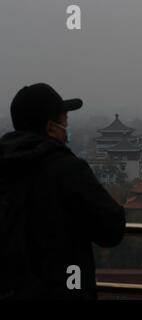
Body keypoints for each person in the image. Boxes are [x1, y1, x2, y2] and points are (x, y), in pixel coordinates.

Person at [0, 83, 126, 299]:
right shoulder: (67, 169)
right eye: (64, 120)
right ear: (50, 127)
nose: (66, 126)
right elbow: (111, 230)